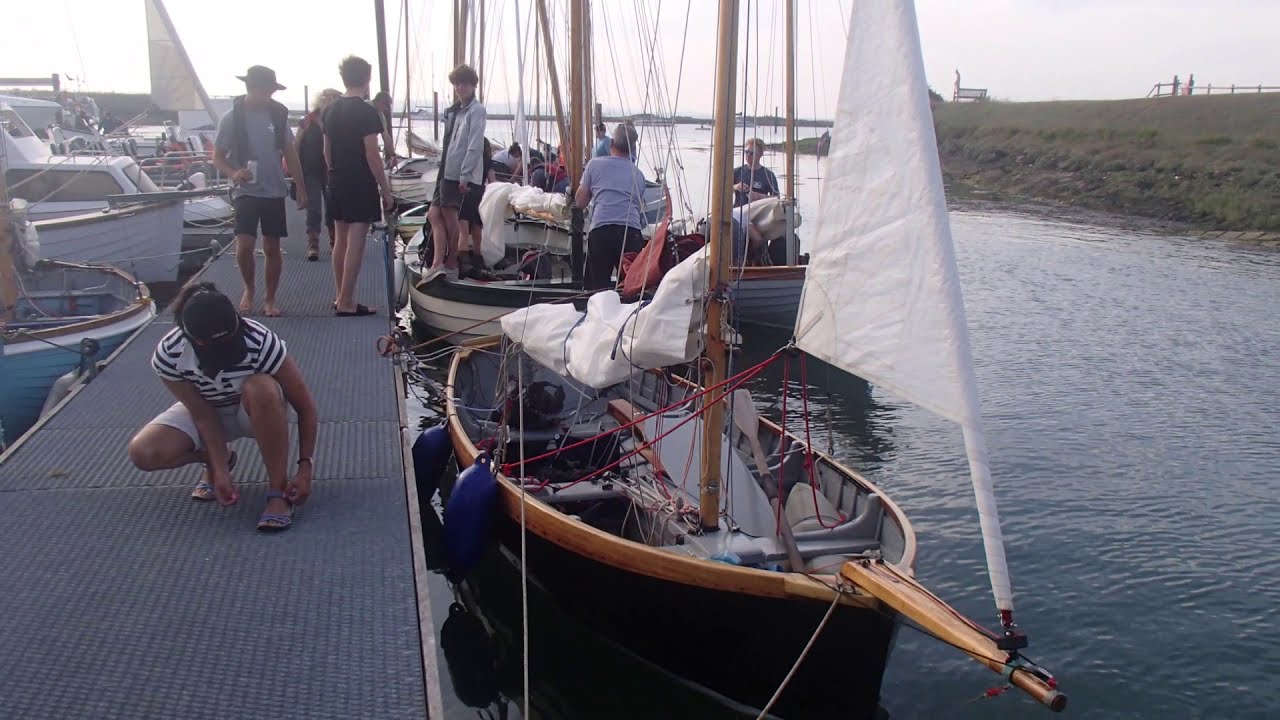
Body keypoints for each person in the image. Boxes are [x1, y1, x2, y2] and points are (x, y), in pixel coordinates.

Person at [126, 283, 318, 532]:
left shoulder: (261, 341)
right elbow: (202, 414)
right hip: (208, 408)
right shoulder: (168, 354)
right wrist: (218, 466)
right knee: (144, 452)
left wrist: (305, 468)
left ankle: (278, 491)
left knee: (261, 388)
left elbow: (305, 407)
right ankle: (219, 461)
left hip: (253, 410)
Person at [212, 65, 308, 317]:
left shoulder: (277, 116)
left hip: (274, 189)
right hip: (245, 189)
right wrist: (234, 173)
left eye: (272, 91)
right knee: (244, 244)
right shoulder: (231, 118)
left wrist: (300, 187)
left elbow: (290, 152)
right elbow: (218, 158)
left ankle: (270, 298)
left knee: (272, 245)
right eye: (267, 91)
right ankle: (249, 288)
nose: (270, 96)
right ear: (252, 88)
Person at [324, 55, 393, 317]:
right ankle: (347, 300)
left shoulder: (330, 109)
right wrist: (385, 191)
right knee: (356, 240)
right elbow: (372, 155)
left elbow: (326, 150)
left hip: (336, 178)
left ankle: (340, 294)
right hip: (359, 180)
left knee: (340, 239)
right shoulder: (367, 112)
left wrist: (333, 171)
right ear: (367, 79)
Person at [424, 64, 486, 284]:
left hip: (458, 174)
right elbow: (450, 143)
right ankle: (439, 263)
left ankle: (449, 264)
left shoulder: (476, 111)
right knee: (434, 215)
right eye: (457, 84)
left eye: (464, 83)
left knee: (452, 219)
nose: (460, 87)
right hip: (446, 171)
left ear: (473, 85)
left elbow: (474, 144)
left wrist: (465, 176)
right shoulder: (456, 111)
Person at [575, 123, 648, 291]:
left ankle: (596, 313)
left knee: (597, 289)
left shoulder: (594, 165)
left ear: (612, 144)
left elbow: (580, 202)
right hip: (631, 233)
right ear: (632, 149)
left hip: (602, 231)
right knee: (629, 287)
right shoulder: (639, 175)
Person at [295, 88, 341, 261]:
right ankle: (313, 244)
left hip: (331, 170)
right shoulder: (307, 121)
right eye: (331, 98)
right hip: (311, 170)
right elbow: (296, 144)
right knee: (313, 208)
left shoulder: (336, 120)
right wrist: (296, 172)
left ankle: (334, 243)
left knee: (332, 208)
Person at [731, 137, 779, 208]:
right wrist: (736, 187)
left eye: (751, 153)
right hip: (738, 212)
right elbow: (724, 191)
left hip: (758, 213)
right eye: (746, 152)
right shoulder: (737, 172)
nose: (748, 155)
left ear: (760, 154)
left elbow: (777, 198)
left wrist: (761, 197)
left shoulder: (768, 175)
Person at [371, 91, 396, 166]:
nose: (387, 109)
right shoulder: (363, 107)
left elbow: (386, 137)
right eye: (386, 105)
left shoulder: (381, 116)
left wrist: (393, 155)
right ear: (381, 102)